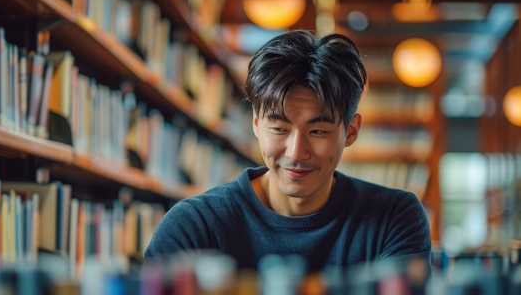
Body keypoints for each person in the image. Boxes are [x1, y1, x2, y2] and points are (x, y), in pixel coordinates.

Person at [144, 29, 431, 273]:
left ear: (351, 131)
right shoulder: (194, 225)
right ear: (256, 124)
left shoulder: (393, 217)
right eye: (279, 129)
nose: (296, 152)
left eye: (317, 131)